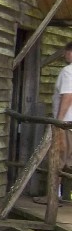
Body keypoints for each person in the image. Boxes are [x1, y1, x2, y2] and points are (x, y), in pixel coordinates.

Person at [36, 41, 72, 205]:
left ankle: (53, 198)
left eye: (65, 52)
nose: (64, 55)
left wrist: (58, 121)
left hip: (65, 124)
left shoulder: (68, 71)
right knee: (68, 162)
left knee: (57, 159)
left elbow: (67, 96)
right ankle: (62, 196)